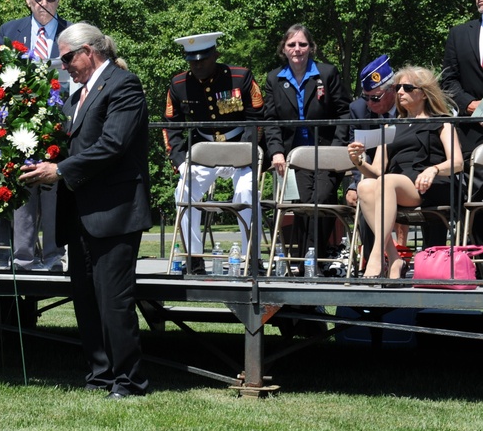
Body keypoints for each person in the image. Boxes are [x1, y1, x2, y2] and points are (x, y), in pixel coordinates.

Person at [20, 22, 151, 399]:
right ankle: (100, 375)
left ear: (88, 52)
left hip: (114, 211)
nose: (64, 67)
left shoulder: (124, 85)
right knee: (86, 298)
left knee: (113, 299)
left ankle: (128, 381)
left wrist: (60, 170)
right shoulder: (80, 94)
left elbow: (113, 144)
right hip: (79, 211)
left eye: (66, 59)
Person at [163, 31, 264, 275]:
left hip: (240, 146)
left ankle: (252, 259)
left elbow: (258, 119)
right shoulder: (178, 85)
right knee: (184, 191)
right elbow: (170, 126)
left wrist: (244, 153)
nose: (197, 65)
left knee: (247, 191)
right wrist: (180, 161)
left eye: (203, 60)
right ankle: (194, 259)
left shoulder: (240, 77)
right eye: (192, 61)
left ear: (216, 55)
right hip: (204, 151)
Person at [349, 66, 462, 282]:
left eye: (407, 87)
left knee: (386, 181)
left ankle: (376, 256)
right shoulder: (390, 126)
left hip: (429, 183)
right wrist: (358, 160)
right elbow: (376, 171)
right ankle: (394, 258)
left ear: (424, 93)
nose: (400, 92)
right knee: (365, 186)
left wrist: (434, 169)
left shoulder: (442, 122)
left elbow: (457, 162)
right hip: (394, 184)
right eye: (397, 87)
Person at [0, 0, 71, 271]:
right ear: (28, 0)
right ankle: (23, 258)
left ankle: (54, 257)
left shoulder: (71, 32)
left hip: (59, 122)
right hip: (21, 124)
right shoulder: (10, 30)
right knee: (24, 188)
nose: (44, 3)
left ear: (58, 0)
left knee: (54, 190)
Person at [263, 24, 350, 261]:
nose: (297, 49)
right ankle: (308, 262)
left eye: (302, 44)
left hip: (327, 152)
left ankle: (311, 260)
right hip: (296, 157)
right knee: (303, 203)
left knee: (321, 198)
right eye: (291, 44)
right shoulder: (274, 79)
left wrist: (337, 149)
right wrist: (276, 151)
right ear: (284, 48)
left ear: (311, 47)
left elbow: (344, 113)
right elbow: (271, 121)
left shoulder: (327, 73)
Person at [344, 55, 408, 264]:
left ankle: (426, 261)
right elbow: (358, 152)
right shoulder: (358, 110)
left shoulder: (408, 107)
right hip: (372, 173)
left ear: (392, 90)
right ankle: (374, 260)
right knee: (363, 194)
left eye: (376, 98)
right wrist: (355, 184)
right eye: (366, 97)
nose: (370, 103)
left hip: (404, 174)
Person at [441, 0, 483, 242]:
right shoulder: (459, 34)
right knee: (475, 200)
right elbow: (449, 82)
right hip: (472, 133)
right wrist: (473, 107)